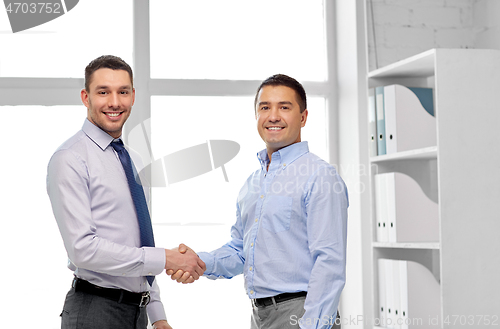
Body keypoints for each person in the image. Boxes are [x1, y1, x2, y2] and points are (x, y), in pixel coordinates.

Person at [169, 74, 348, 329]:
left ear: (303, 117)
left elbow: (329, 263)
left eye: (284, 107)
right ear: (256, 116)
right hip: (259, 316)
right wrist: (199, 261)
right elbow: (241, 252)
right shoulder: (252, 184)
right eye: (265, 107)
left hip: (302, 314)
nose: (273, 116)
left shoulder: (320, 176)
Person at [47, 55, 205, 329]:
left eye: (123, 92)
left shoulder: (132, 159)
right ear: (86, 97)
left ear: (133, 96)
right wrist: (166, 258)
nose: (115, 102)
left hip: (137, 313)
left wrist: (157, 313)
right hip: (95, 312)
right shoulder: (70, 158)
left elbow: (138, 239)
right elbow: (82, 249)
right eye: (103, 92)